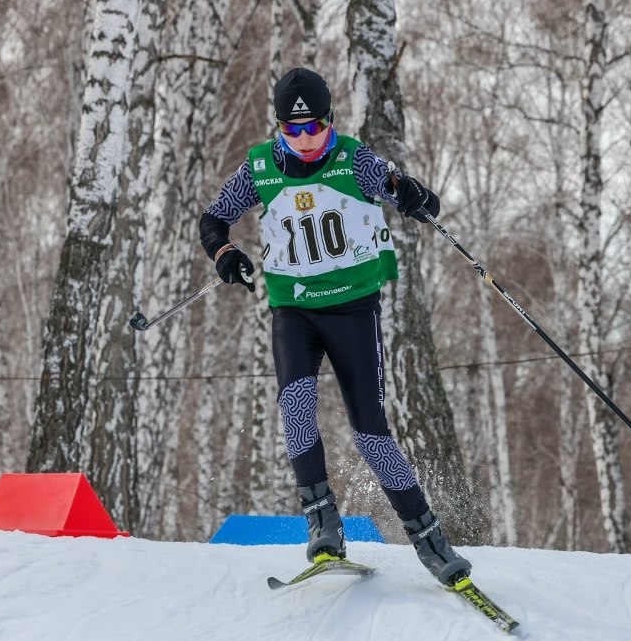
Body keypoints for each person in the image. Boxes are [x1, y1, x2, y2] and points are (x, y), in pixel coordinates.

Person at [197, 66, 471, 587]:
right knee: (296, 408)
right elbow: (213, 221)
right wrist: (225, 253)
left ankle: (431, 540)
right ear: (279, 127)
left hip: (352, 310)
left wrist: (414, 195)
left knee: (371, 435)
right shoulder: (258, 168)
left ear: (329, 121)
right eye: (291, 130)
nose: (303, 140)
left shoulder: (354, 158)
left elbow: (403, 192)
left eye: (313, 128)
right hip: (293, 310)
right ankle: (323, 522)